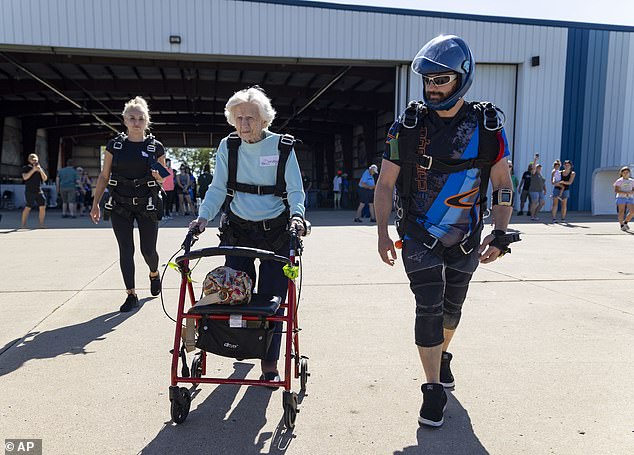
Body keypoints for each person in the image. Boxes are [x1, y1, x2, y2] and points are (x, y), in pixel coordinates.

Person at [374, 35, 517, 427]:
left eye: (442, 80)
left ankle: (443, 354)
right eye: (428, 80)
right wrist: (383, 233)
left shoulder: (488, 126)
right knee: (429, 306)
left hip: (468, 236)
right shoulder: (407, 126)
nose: (433, 87)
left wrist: (500, 232)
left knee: (453, 308)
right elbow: (385, 184)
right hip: (418, 234)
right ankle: (433, 388)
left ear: (462, 78)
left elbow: (503, 182)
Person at [189, 86, 305, 385]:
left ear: (264, 120)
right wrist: (203, 218)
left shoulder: (283, 147)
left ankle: (269, 361)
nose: (244, 124)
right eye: (238, 117)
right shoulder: (229, 147)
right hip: (238, 229)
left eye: (250, 118)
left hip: (276, 232)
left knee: (272, 299)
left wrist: (297, 216)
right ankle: (239, 344)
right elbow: (217, 188)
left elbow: (295, 190)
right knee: (234, 295)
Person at [90, 96, 166, 312]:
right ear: (124, 120)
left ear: (146, 121)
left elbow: (163, 177)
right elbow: (104, 176)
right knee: (126, 250)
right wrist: (95, 203)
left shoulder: (155, 146)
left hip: (147, 204)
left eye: (140, 118)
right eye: (132, 118)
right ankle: (131, 294)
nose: (136, 122)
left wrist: (157, 175)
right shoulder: (115, 145)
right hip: (120, 204)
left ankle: (153, 273)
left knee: (148, 250)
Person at [20, 153, 48, 228]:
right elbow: (25, 177)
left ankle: (41, 224)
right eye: (32, 160)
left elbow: (45, 178)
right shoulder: (26, 168)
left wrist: (40, 170)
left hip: (39, 190)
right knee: (28, 207)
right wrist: (33, 170)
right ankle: (23, 225)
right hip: (29, 191)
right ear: (29, 160)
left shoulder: (40, 168)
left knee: (43, 206)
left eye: (35, 160)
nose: (34, 161)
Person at [614, 166, 634, 231]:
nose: (626, 174)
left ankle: (625, 222)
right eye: (624, 172)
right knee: (621, 212)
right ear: (621, 173)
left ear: (629, 173)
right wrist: (625, 192)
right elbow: (616, 190)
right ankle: (622, 225)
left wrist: (631, 192)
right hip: (621, 197)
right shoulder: (619, 181)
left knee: (632, 212)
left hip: (629, 198)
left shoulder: (632, 181)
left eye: (627, 172)